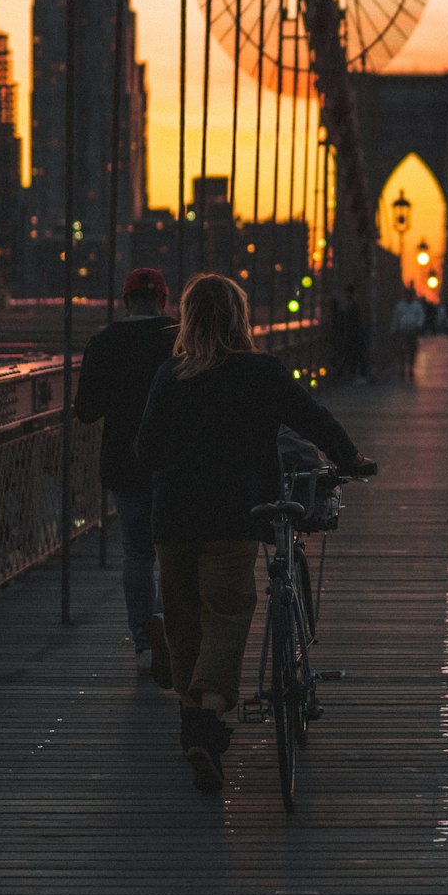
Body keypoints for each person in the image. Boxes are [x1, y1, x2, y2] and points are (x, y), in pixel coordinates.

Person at [134, 271, 376, 795]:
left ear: (190, 319)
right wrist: (350, 457)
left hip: (173, 518)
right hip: (235, 514)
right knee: (226, 615)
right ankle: (206, 718)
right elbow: (312, 418)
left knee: (182, 620)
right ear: (240, 319)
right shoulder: (261, 372)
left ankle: (193, 720)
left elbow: (145, 452)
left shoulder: (169, 375)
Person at [73, 265, 177, 679]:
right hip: (172, 462)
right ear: (164, 299)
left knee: (137, 553)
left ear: (125, 300)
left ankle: (144, 646)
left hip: (124, 462)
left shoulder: (104, 342)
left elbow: (86, 411)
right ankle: (169, 631)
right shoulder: (179, 340)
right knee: (173, 552)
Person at [390, 287, 422, 383]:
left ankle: (411, 367)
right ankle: (402, 368)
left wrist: (419, 325)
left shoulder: (417, 306)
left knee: (412, 350)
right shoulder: (400, 306)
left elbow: (421, 316)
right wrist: (394, 329)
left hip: (413, 331)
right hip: (402, 330)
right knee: (402, 350)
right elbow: (396, 318)